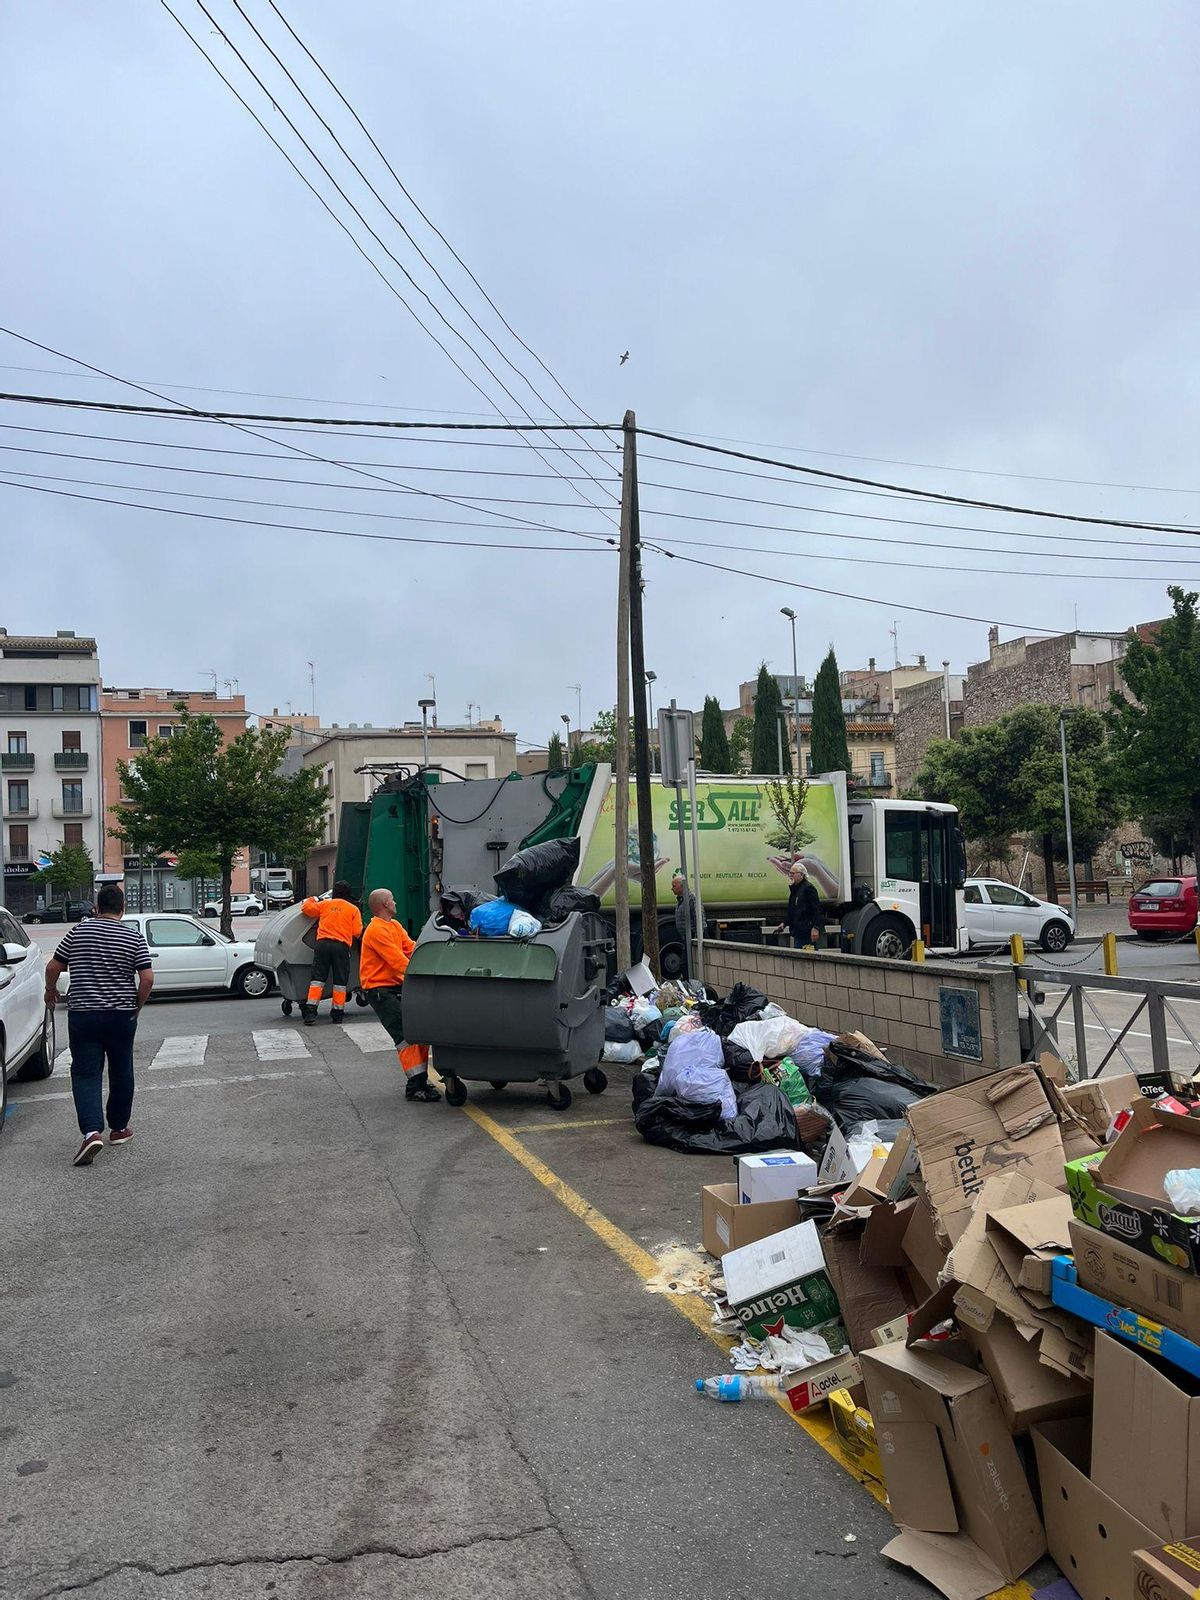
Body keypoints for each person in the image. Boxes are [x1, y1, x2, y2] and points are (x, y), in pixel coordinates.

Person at [42, 883, 154, 1167]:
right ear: (122, 907)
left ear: (96, 907)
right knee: (121, 1070)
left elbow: (54, 966)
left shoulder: (78, 932)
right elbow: (147, 978)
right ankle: (118, 1129)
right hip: (121, 1016)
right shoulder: (133, 936)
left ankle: (91, 1132)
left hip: (84, 1016)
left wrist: (49, 990)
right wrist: (136, 1007)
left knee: (85, 1074)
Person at [358, 887, 439, 1102]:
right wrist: (423, 976)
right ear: (385, 904)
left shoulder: (393, 926)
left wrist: (431, 957)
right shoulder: (376, 931)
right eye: (393, 899)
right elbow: (398, 962)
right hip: (379, 990)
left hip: (394, 988)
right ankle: (415, 1087)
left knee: (417, 1033)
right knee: (405, 1036)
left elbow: (410, 949)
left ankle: (420, 1082)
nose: (396, 903)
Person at [300, 880, 363, 1024]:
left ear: (334, 892)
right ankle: (337, 1013)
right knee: (340, 982)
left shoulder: (325, 905)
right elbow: (357, 931)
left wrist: (313, 898)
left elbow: (307, 909)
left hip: (322, 945)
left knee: (317, 979)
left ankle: (310, 1012)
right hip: (341, 947)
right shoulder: (353, 909)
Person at [778, 861, 823, 950]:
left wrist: (815, 927)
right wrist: (784, 923)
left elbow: (816, 909)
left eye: (793, 873)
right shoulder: (795, 889)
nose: (790, 875)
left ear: (801, 875)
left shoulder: (808, 889)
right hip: (798, 932)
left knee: (808, 958)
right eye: (790, 873)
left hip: (807, 932)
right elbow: (792, 910)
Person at [672, 871, 698, 978]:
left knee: (685, 964)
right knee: (684, 964)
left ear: (682, 886)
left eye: (674, 886)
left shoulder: (691, 899)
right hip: (684, 937)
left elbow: (698, 916)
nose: (672, 889)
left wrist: (696, 936)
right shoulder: (681, 900)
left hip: (690, 936)